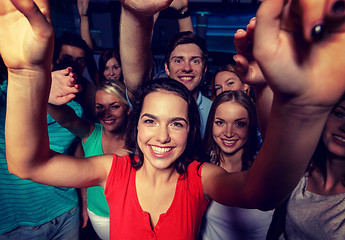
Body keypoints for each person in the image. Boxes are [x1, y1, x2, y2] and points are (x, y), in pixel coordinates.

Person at [3, 0, 345, 239]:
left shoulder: (199, 178)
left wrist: (302, 108)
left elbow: (262, 193)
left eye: (177, 123)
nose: (162, 136)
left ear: (191, 129)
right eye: (151, 121)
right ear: (136, 127)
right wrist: (24, 72)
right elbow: (28, 164)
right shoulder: (112, 170)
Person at [0, 67, 83, 239]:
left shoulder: (74, 109)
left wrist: (85, 196)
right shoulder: (5, 98)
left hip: (66, 212)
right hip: (16, 225)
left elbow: (76, 150)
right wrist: (37, 88)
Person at [48, 80, 131, 240]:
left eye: (114, 106)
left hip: (131, 215)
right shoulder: (91, 132)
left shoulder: (140, 139)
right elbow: (67, 121)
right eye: (100, 107)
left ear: (127, 109)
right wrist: (48, 93)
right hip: (100, 215)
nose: (107, 114)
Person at [120, 0, 212, 138]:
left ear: (204, 69)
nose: (186, 68)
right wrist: (133, 14)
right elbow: (135, 80)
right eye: (178, 61)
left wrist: (183, 12)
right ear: (167, 68)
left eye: (195, 61)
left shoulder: (214, 111)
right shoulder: (153, 99)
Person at [200, 90, 273, 240]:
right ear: (211, 124)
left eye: (239, 124)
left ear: (250, 126)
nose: (228, 133)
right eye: (220, 122)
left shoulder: (266, 172)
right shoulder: (200, 168)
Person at [53, 31, 96, 121]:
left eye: (79, 61)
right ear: (57, 59)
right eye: (67, 58)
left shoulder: (90, 91)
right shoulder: (44, 85)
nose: (73, 64)